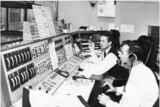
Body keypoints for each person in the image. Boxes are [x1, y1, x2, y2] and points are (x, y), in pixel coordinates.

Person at [98, 40, 159, 107]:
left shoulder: (139, 78)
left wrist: (107, 102)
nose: (119, 55)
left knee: (97, 95)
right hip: (126, 102)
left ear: (133, 58)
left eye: (122, 53)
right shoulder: (139, 69)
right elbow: (129, 89)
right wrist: (115, 89)